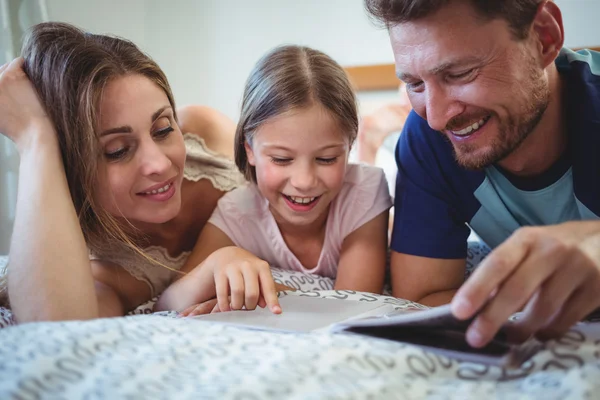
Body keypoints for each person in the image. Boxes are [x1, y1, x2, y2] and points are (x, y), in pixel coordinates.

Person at [365, 0, 600, 348]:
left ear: (544, 38)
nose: (437, 118)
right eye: (415, 83)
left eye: (460, 74)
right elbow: (423, 297)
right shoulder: (427, 140)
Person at [0, 22, 247, 322]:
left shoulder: (201, 129)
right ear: (71, 167)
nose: (159, 164)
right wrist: (35, 137)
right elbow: (54, 328)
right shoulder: (109, 273)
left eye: (163, 129)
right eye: (117, 150)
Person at [155, 45, 392, 316]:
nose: (304, 181)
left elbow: (352, 308)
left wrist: (263, 290)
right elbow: (166, 305)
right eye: (281, 159)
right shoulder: (238, 211)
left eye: (326, 159)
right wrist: (217, 264)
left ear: (349, 148)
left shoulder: (364, 191)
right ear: (250, 150)